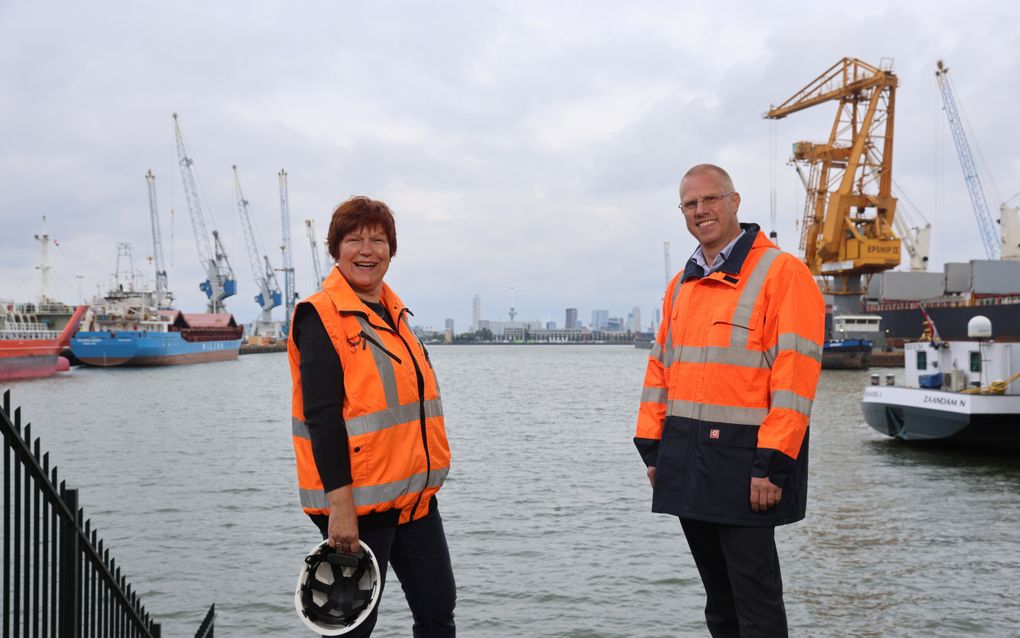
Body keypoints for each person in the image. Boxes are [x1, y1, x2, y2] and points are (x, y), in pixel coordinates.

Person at [634, 164, 824, 637]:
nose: (701, 211)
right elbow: (661, 369)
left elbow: (795, 377)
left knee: (756, 603)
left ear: (735, 201)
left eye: (711, 200)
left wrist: (773, 463)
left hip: (748, 464)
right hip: (686, 458)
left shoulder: (783, 274)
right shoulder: (681, 284)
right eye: (691, 204)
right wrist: (653, 449)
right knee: (718, 602)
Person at [288, 196, 456, 637]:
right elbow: (322, 419)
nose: (367, 250)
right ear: (335, 250)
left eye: (378, 240)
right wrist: (340, 510)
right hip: (359, 508)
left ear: (391, 250)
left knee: (438, 612)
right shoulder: (321, 316)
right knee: (352, 626)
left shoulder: (394, 315)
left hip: (415, 502)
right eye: (354, 240)